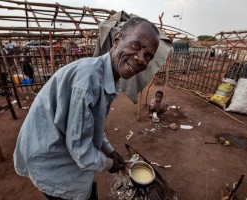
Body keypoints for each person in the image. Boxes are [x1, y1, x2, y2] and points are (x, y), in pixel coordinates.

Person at [13, 17, 160, 200]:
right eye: (136, 46)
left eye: (148, 56)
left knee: (89, 189)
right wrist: (109, 164)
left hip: (62, 150)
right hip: (51, 162)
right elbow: (81, 151)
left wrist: (108, 149)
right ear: (117, 40)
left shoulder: (104, 77)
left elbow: (91, 124)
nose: (140, 59)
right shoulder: (88, 81)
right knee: (82, 194)